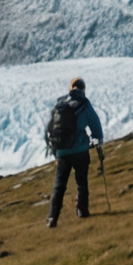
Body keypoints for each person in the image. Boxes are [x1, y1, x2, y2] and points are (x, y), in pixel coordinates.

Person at [44, 77, 104, 228]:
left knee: (59, 185)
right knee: (81, 182)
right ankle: (82, 211)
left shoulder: (60, 104)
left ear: (70, 88)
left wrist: (54, 149)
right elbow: (95, 126)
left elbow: (49, 128)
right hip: (80, 150)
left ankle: (52, 217)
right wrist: (96, 141)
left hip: (62, 152)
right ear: (83, 89)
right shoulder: (84, 104)